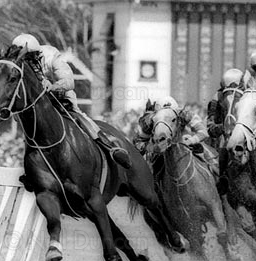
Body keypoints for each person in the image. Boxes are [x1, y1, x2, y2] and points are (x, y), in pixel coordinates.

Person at [11, 33, 131, 169]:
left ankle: (108, 147)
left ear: (36, 53)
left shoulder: (51, 55)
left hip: (60, 97)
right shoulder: (17, 66)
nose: (26, 62)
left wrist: (53, 86)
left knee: (79, 117)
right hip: (38, 105)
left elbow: (69, 81)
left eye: (28, 58)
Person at [134, 96, 216, 183]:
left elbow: (203, 132)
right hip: (159, 152)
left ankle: (218, 177)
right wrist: (154, 148)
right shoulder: (147, 121)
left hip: (185, 145)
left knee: (206, 152)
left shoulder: (185, 114)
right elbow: (138, 144)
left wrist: (190, 141)